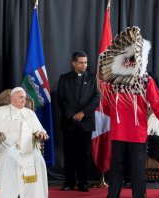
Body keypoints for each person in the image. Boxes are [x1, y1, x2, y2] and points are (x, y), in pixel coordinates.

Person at [96, 26, 159, 198]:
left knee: (118, 169)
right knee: (136, 170)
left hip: (122, 132)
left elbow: (106, 107)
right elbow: (158, 106)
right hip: (134, 132)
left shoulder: (112, 83)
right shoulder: (144, 81)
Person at [0, 87, 49, 198]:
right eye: (21, 97)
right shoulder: (1, 111)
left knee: (38, 159)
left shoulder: (30, 113)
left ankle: (33, 195)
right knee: (9, 157)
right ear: (12, 99)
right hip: (8, 146)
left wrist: (41, 133)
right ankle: (11, 194)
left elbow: (38, 129)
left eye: (25, 97)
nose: (24, 100)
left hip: (28, 147)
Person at [57, 51, 101, 192]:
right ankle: (69, 182)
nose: (84, 65)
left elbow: (96, 98)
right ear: (74, 63)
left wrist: (83, 113)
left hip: (86, 122)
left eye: (86, 62)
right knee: (69, 154)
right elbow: (61, 98)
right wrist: (71, 114)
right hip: (69, 122)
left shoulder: (93, 78)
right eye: (81, 62)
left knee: (84, 155)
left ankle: (83, 182)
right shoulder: (64, 78)